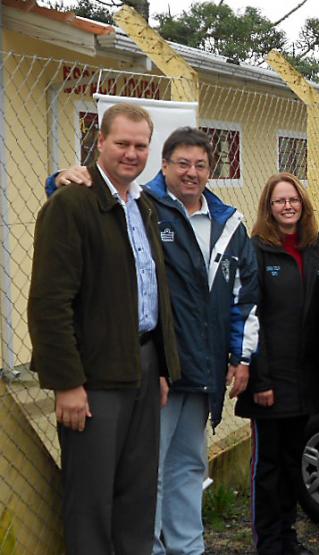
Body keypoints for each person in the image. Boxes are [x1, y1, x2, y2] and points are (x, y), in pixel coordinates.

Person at [47, 126, 260, 555]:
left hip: (200, 367)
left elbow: (244, 295)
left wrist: (240, 355)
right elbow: (89, 199)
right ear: (164, 165)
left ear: (210, 171)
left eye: (201, 165)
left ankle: (188, 546)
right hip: (157, 367)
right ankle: (151, 547)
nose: (191, 172)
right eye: (182, 163)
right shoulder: (144, 205)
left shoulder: (227, 221)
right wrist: (58, 180)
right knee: (149, 472)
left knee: (189, 465)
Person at [28, 103, 181, 553]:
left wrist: (161, 368)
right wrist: (67, 383)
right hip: (93, 376)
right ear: (99, 142)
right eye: (122, 143)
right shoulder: (71, 204)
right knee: (91, 501)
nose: (131, 154)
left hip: (143, 364)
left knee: (137, 497)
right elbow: (49, 302)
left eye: (140, 145)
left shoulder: (144, 205)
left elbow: (155, 292)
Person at [235, 173, 319, 555]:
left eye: (293, 199)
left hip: (305, 381)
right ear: (268, 208)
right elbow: (251, 317)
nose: (287, 206)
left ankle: (288, 538)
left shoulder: (315, 251)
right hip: (271, 382)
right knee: (269, 468)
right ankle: (268, 542)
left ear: (302, 204)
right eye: (279, 201)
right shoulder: (256, 251)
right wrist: (261, 380)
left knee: (292, 465)